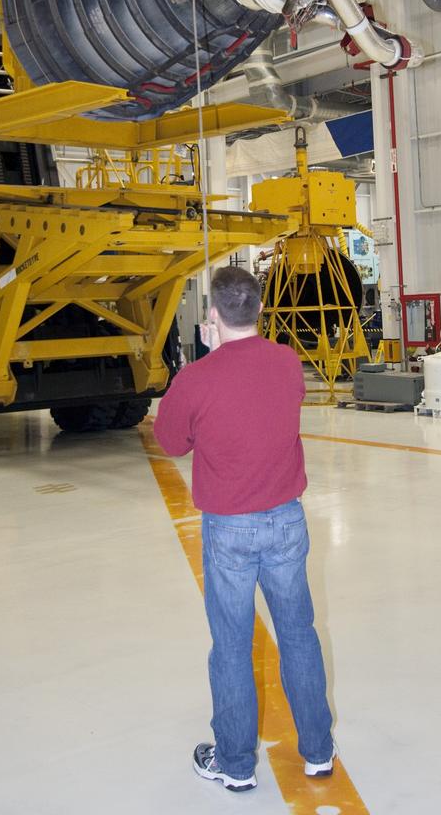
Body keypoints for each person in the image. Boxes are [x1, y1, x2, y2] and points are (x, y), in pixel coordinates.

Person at [153, 265, 335, 793]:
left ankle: (235, 765)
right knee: (299, 634)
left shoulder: (197, 378)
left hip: (229, 529)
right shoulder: (287, 362)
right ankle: (318, 751)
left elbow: (171, 442)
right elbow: (265, 405)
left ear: (212, 315)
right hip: (286, 521)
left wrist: (206, 362)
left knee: (231, 646)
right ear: (259, 309)